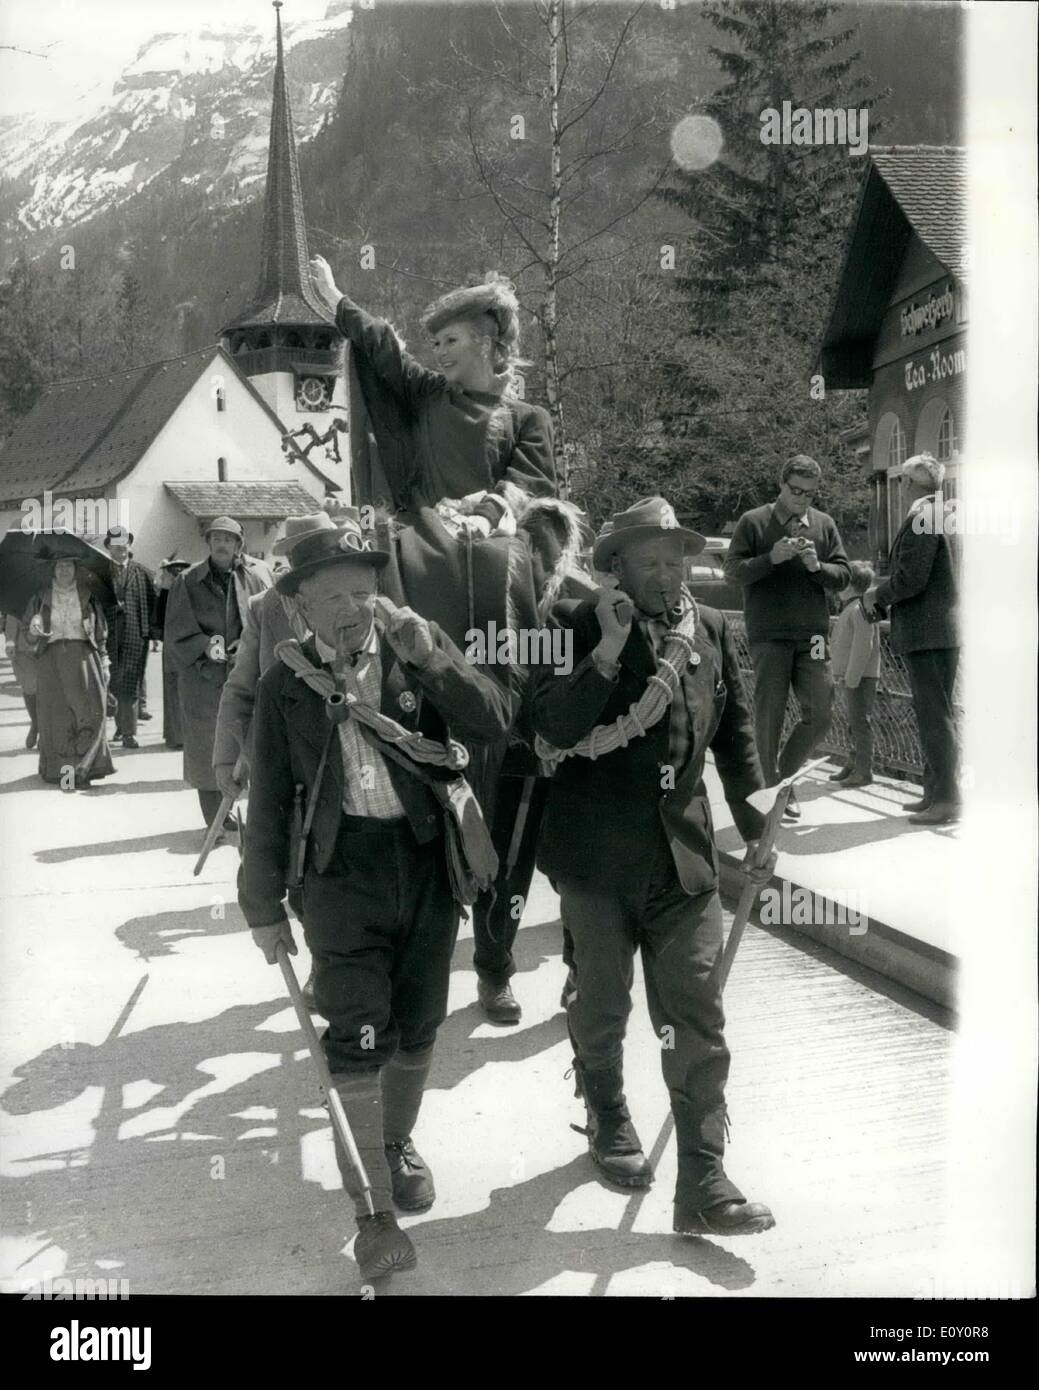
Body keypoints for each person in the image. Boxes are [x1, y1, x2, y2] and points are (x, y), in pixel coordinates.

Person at [239, 510, 510, 1286]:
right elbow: (268, 808)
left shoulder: (411, 657)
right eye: (331, 598)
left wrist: (434, 662)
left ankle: (392, 1142)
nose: (351, 610)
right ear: (298, 608)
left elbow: (493, 721)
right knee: (356, 1029)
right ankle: (373, 1213)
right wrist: (262, 905)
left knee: (419, 1024)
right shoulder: (284, 685)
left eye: (362, 592)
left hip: (424, 865)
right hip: (337, 876)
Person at [531, 496, 776, 1238]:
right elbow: (548, 725)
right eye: (651, 562)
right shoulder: (566, 629)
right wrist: (605, 653)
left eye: (677, 560)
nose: (669, 575)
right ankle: (607, 1117)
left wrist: (758, 821)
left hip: (683, 860)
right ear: (616, 569)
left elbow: (732, 737)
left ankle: (703, 1179)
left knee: (695, 1012)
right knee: (602, 1003)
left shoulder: (707, 630)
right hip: (595, 860)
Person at [308, 254, 556, 528]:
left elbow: (525, 484)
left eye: (451, 340)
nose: (440, 352)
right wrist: (333, 296)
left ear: (485, 344)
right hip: (424, 541)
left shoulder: (528, 420)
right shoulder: (429, 392)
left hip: (492, 546)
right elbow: (383, 347)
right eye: (436, 343)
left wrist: (483, 519)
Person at [471, 496, 595, 1023]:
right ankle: (494, 971)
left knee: (578, 873)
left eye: (550, 546)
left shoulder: (581, 598)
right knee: (505, 871)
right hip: (517, 756)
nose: (539, 559)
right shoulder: (497, 590)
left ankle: (580, 973)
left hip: (576, 758)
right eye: (530, 543)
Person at [724, 455, 851, 819]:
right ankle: (774, 790)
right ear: (781, 485)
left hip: (812, 635)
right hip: (770, 635)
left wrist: (818, 568)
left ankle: (783, 774)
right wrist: (770, 558)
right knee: (770, 716)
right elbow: (731, 573)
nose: (802, 499)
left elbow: (843, 575)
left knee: (822, 713)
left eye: (810, 494)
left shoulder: (824, 524)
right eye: (796, 491)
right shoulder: (753, 522)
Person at [864, 453, 960, 825]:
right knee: (938, 712)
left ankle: (947, 799)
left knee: (934, 715)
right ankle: (935, 791)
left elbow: (911, 579)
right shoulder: (945, 514)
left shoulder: (923, 517)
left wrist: (876, 596)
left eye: (900, 481)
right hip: (944, 630)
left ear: (907, 484)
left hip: (926, 632)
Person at [165, 518, 272, 831]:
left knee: (248, 740)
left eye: (229, 539)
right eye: (217, 538)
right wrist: (206, 645)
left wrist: (246, 642)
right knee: (206, 745)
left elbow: (265, 619)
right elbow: (175, 631)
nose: (222, 544)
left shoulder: (253, 577)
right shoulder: (187, 580)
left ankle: (250, 813)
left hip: (245, 674)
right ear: (208, 543)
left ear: (239, 545)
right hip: (203, 679)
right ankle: (215, 818)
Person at [26, 558, 115, 788]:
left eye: (69, 565)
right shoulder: (40, 597)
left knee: (89, 712)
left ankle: (85, 770)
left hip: (84, 658)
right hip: (51, 660)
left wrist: (105, 661)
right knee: (57, 717)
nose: (64, 570)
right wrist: (33, 630)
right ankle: (62, 773)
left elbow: (99, 630)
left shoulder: (88, 594)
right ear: (53, 571)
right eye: (59, 566)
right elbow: (29, 638)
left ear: (76, 569)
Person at [103, 527, 158, 749]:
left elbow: (153, 602)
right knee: (114, 682)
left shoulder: (142, 572)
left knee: (132, 683)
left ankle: (129, 733)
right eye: (116, 546)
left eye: (125, 544)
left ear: (130, 546)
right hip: (109, 635)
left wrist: (153, 632)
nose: (122, 549)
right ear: (108, 547)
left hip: (136, 634)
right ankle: (120, 725)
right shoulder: (100, 573)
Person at [828, 561, 881, 789]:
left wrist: (852, 678)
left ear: (850, 585)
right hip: (850, 677)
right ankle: (853, 763)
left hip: (859, 678)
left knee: (860, 723)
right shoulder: (852, 608)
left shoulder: (860, 609)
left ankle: (864, 770)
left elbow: (863, 646)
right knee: (853, 722)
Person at [152, 557, 192, 748]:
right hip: (174, 644)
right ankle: (176, 735)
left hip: (182, 644)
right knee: (174, 689)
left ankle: (179, 735)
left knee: (181, 689)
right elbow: (158, 621)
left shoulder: (184, 592)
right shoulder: (167, 594)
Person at [4, 607, 39, 748]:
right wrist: (10, 640)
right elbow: (13, 612)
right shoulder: (21, 590)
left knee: (48, 689)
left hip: (48, 646)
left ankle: (45, 731)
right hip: (24, 648)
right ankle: (35, 723)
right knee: (30, 688)